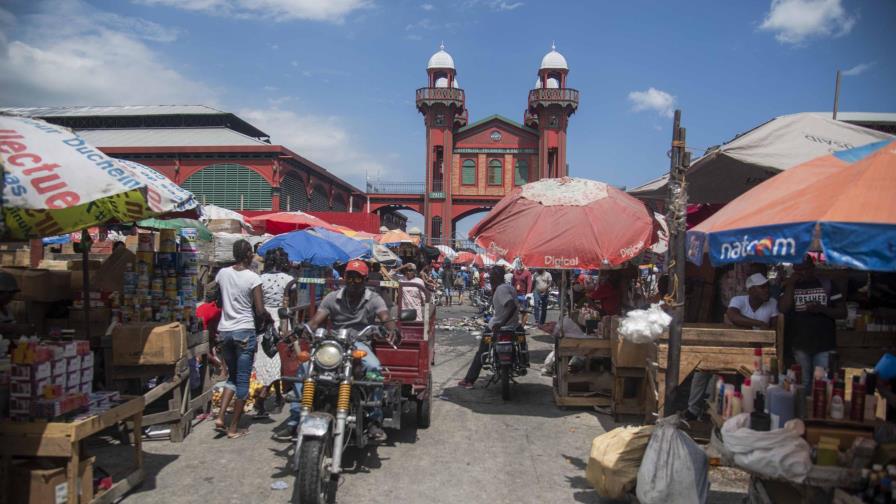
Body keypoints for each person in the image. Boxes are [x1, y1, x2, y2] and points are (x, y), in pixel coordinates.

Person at [274, 260, 398, 442]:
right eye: (350, 277)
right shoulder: (332, 297)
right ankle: (295, 420)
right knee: (304, 367)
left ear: (365, 280)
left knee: (374, 367)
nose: (353, 281)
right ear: (345, 277)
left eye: (358, 278)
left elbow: (385, 316)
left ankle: (374, 419)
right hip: (334, 342)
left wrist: (390, 328)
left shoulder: (373, 298)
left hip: (359, 342)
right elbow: (316, 321)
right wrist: (303, 328)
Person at [685, 273, 779, 421]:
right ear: (751, 290)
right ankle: (693, 410)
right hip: (733, 348)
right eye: (762, 287)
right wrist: (759, 324)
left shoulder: (772, 303)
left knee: (750, 379)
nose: (766, 290)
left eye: (767, 286)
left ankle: (720, 409)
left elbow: (774, 328)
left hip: (758, 353)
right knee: (702, 369)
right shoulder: (738, 300)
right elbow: (732, 316)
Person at [214, 239, 271, 439]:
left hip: (225, 331)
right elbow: (260, 309)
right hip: (244, 332)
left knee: (231, 376)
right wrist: (269, 318)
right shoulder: (253, 278)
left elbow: (219, 299)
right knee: (242, 381)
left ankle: (221, 417)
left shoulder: (222, 274)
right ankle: (233, 427)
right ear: (248, 254)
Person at [779, 256, 846, 387]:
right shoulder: (789, 286)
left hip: (824, 345)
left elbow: (843, 312)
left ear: (812, 268)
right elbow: (783, 308)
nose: (801, 273)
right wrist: (791, 284)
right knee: (802, 383)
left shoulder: (827, 284)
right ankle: (802, 407)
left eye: (805, 269)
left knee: (822, 384)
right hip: (799, 345)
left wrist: (822, 309)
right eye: (798, 270)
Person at [458, 266, 520, 389]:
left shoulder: (501, 290)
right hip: (512, 327)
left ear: (496, 276)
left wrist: (501, 323)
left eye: (491, 276)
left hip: (496, 328)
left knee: (482, 351)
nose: (489, 278)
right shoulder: (508, 288)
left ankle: (469, 380)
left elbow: (511, 306)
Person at [252, 248, 291, 418]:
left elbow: (256, 303)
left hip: (264, 320)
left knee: (267, 358)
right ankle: (266, 396)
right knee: (277, 358)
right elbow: (291, 304)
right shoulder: (289, 280)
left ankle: (273, 396)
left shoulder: (260, 279)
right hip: (282, 319)